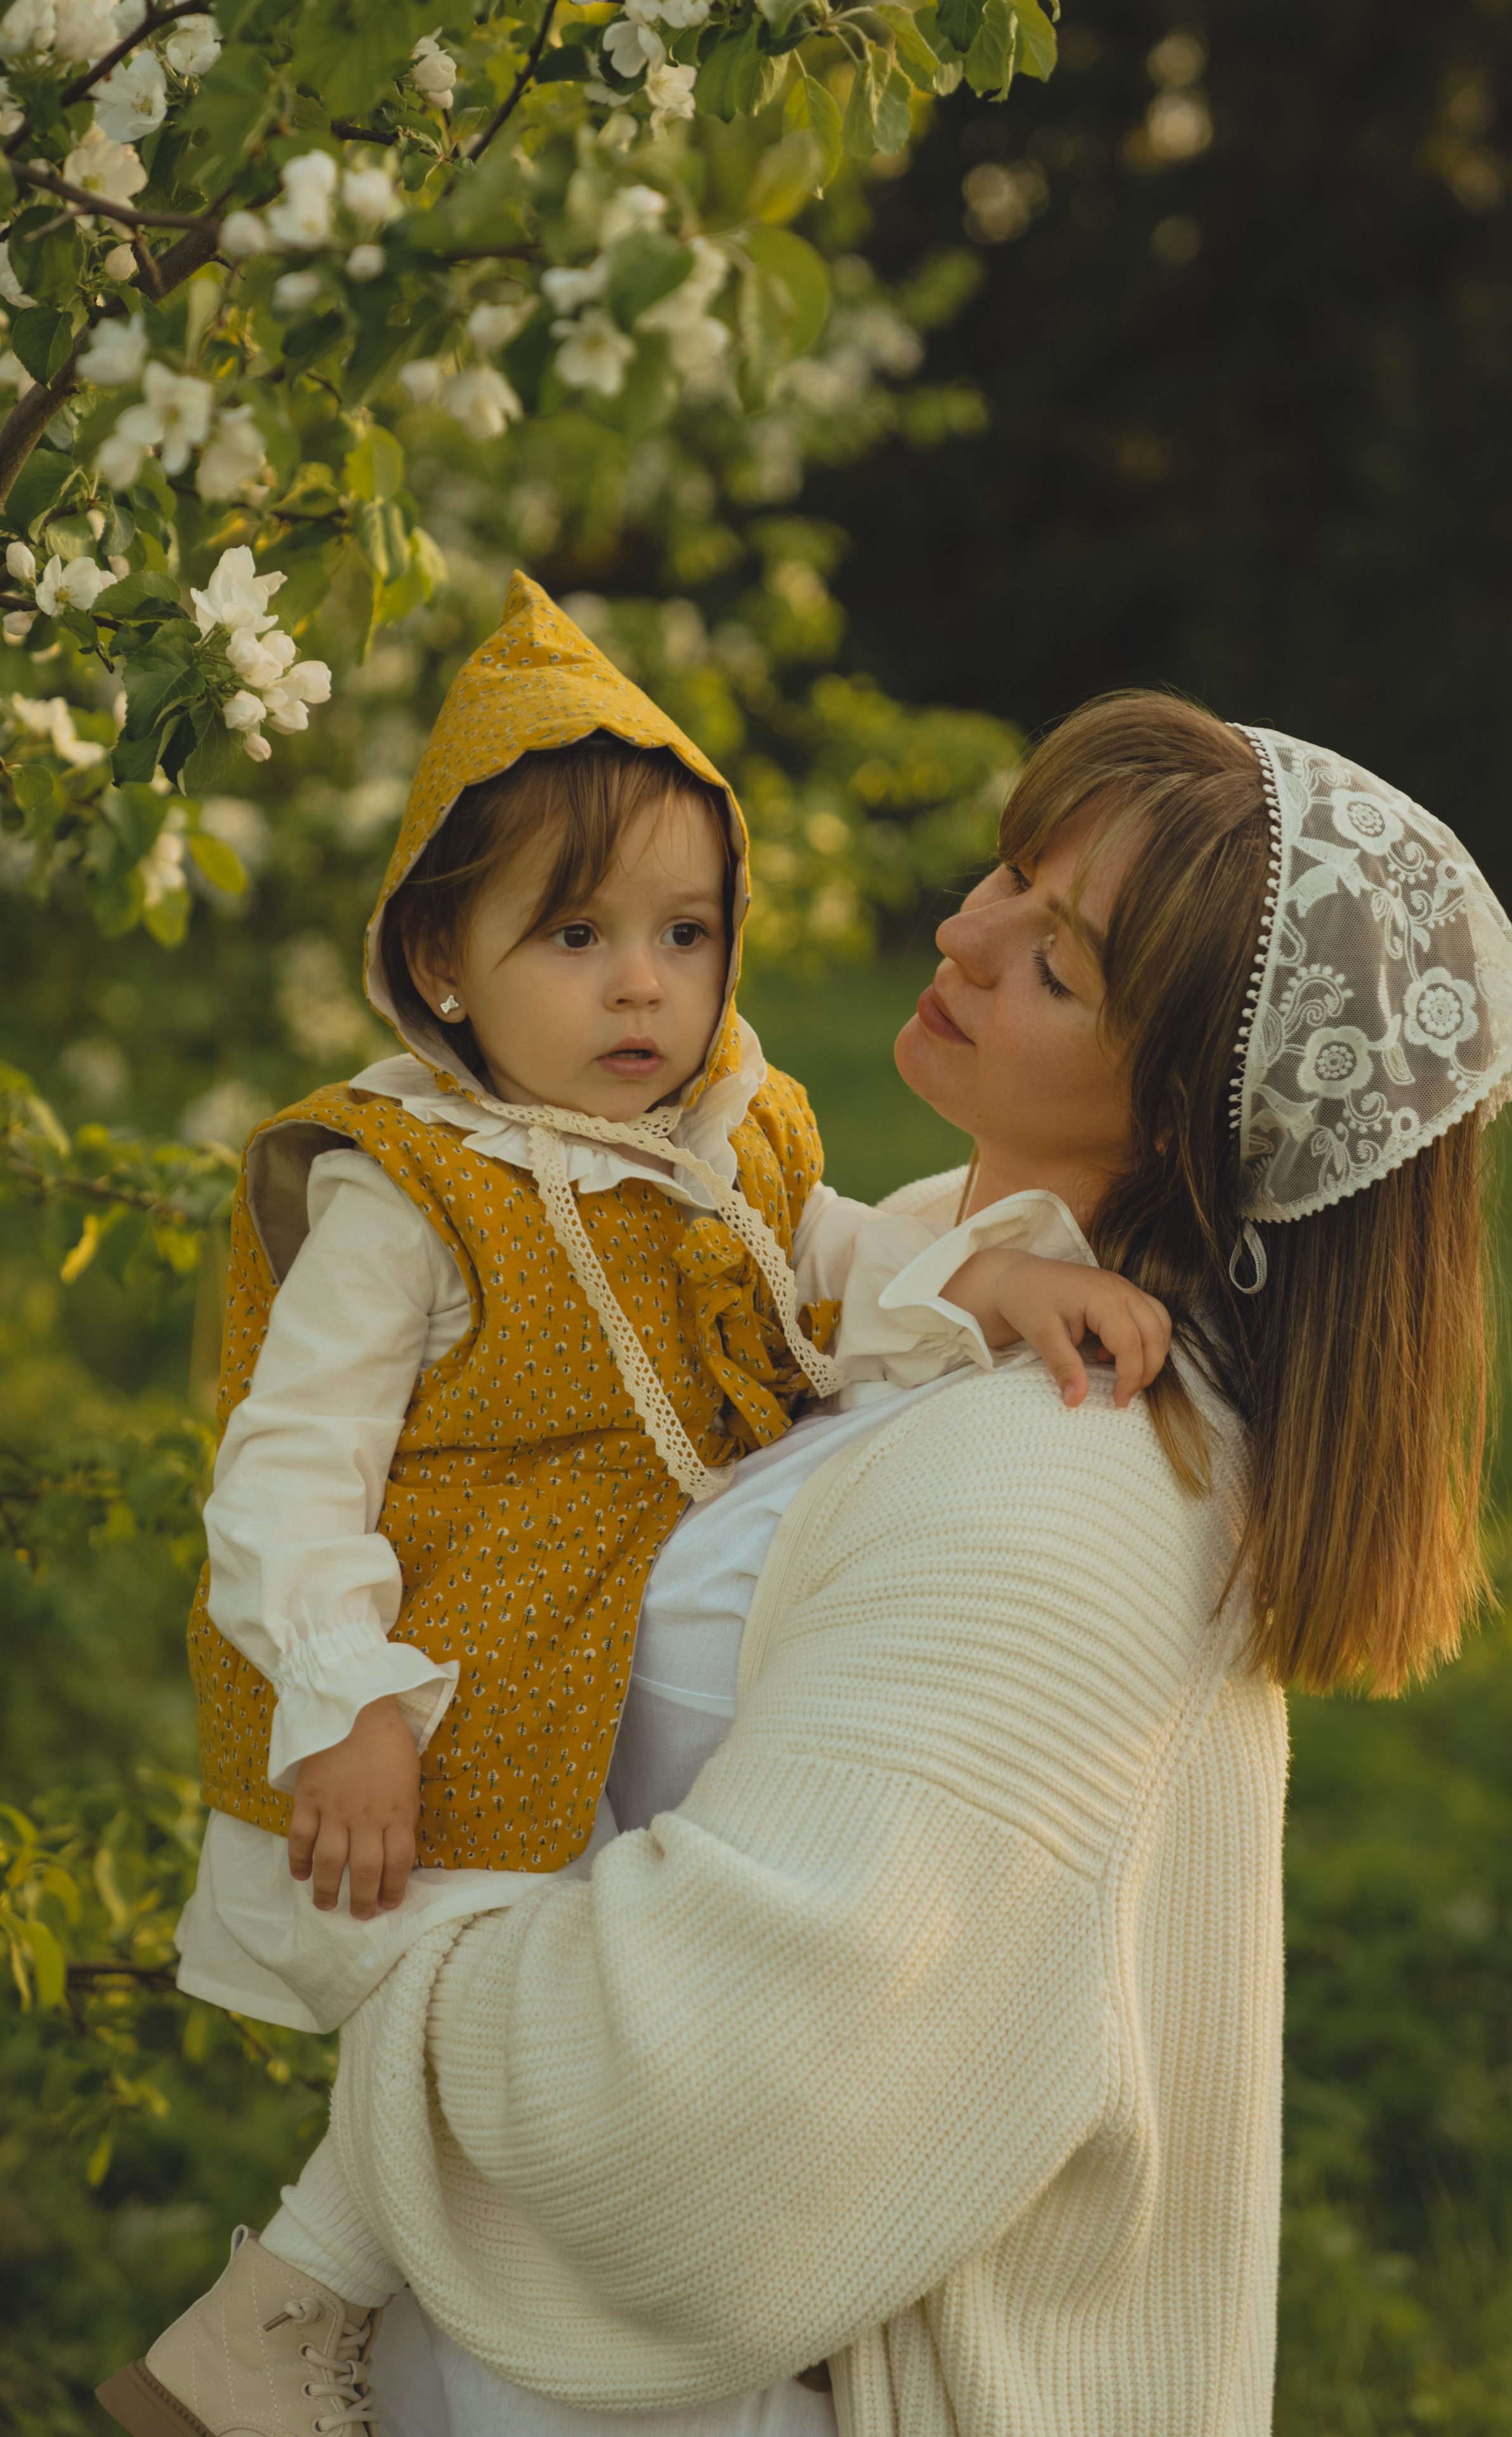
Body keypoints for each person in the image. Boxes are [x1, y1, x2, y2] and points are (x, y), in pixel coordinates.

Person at [95, 591, 1174, 2437]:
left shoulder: (728, 1131)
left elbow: (815, 1264)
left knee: (585, 2020)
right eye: (576, 935)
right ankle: (275, 2326)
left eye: (686, 933)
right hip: (454, 1691)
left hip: (595, 1669)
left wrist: (984, 1284)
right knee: (483, 2000)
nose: (644, 990)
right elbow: (288, 1466)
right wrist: (345, 1697)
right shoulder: (406, 1191)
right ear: (441, 960)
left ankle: (404, 2310)